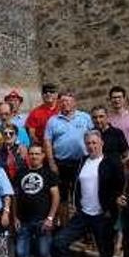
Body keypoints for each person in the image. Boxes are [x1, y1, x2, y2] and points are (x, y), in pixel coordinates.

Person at [53, 131, 124, 257]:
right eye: (88, 143)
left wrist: (114, 205)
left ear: (101, 143)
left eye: (94, 142)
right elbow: (76, 184)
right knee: (59, 242)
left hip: (103, 216)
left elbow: (120, 185)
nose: (91, 146)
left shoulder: (110, 162)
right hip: (83, 214)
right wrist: (75, 203)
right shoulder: (82, 161)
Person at [13, 145, 59, 257]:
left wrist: (51, 218)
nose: (34, 156)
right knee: (20, 253)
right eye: (31, 154)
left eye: (37, 154)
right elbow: (15, 197)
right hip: (23, 220)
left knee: (44, 253)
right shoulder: (21, 173)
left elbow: (56, 197)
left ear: (43, 155)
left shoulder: (49, 174)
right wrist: (15, 217)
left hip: (42, 220)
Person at [44, 91, 94, 222]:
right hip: (61, 163)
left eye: (68, 100)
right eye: (62, 101)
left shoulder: (85, 117)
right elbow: (47, 142)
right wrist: (51, 162)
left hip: (82, 162)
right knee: (63, 197)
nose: (65, 103)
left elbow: (93, 137)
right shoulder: (53, 121)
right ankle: (65, 227)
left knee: (83, 194)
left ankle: (84, 228)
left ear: (74, 102)